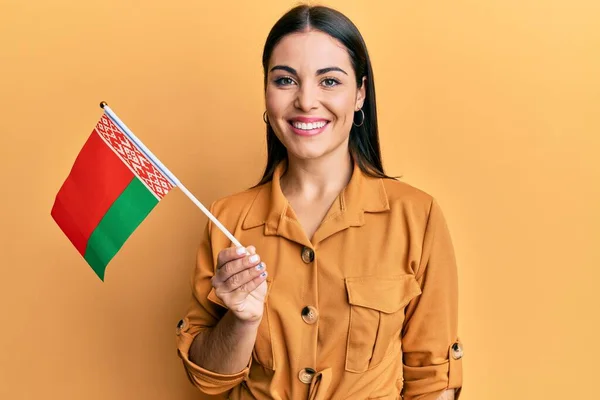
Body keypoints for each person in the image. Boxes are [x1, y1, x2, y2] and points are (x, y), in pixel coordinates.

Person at [175, 4, 463, 400]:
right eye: (285, 80)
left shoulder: (417, 217)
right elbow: (208, 379)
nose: (306, 101)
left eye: (329, 81)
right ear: (266, 91)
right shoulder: (228, 220)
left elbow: (433, 380)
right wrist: (241, 321)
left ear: (360, 93)